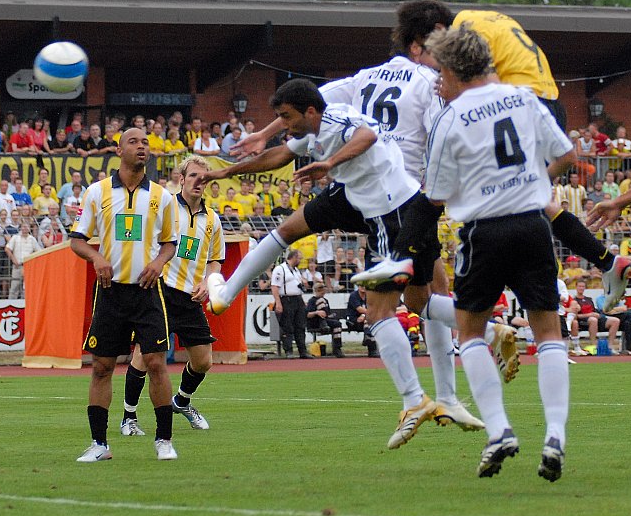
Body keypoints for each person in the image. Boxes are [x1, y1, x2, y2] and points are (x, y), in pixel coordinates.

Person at [201, 79, 483, 446]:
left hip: (390, 212)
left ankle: (420, 398)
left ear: (310, 111)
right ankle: (473, 354)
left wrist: (330, 162)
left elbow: (367, 135)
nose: (283, 124)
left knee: (383, 312)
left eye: (287, 117)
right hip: (369, 199)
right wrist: (226, 171)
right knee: (418, 300)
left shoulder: (335, 121)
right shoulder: (314, 128)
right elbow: (280, 155)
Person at [356, 1, 631, 317]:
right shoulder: (481, 18)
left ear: (438, 31)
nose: (428, 62)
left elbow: (478, 77)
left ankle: (402, 260)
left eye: (425, 50)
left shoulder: (465, 33)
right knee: (532, 202)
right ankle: (607, 262)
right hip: (541, 100)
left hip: (519, 105)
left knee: (454, 195)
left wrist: (455, 99)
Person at [418, 26, 575, 481]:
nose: (438, 82)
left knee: (470, 333)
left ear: (454, 70)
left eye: (440, 72)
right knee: (549, 333)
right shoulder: (523, 98)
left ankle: (500, 429)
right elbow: (566, 154)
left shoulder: (450, 117)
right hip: (532, 225)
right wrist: (532, 181)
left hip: (483, 232)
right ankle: (555, 435)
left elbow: (436, 194)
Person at [69, 128, 178, 462]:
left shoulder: (162, 196)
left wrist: (159, 262)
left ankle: (164, 440)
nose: (141, 146)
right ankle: (99, 445)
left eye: (145, 142)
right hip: (110, 292)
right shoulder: (96, 192)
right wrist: (96, 257)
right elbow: (77, 240)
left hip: (147, 292)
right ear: (119, 150)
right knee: (102, 367)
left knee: (156, 363)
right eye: (133, 142)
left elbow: (170, 243)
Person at [120, 155, 225, 436]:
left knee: (203, 361)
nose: (198, 182)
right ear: (181, 179)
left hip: (190, 298)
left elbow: (216, 260)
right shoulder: (165, 207)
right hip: (160, 292)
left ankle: (182, 401)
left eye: (203, 178)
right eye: (193, 176)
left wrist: (208, 281)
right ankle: (128, 417)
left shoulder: (213, 220)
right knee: (144, 356)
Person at [272, 250, 312, 359]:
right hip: (286, 299)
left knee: (300, 326)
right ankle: (288, 350)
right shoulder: (280, 269)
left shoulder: (296, 270)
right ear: (293, 257)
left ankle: (302, 351)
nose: (300, 261)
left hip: (298, 299)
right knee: (287, 326)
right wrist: (278, 303)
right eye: (299, 258)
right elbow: (275, 286)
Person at [306, 282, 344, 357]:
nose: (322, 293)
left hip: (325, 321)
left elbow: (327, 314)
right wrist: (317, 312)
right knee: (320, 301)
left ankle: (337, 348)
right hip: (314, 322)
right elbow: (307, 315)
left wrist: (330, 316)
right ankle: (323, 325)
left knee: (337, 325)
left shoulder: (325, 300)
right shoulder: (312, 301)